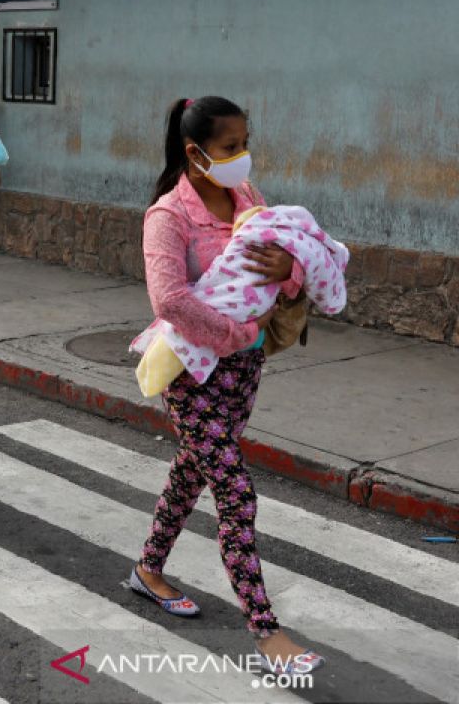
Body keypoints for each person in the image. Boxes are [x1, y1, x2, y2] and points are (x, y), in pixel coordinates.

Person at [128, 96, 323, 676]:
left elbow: (289, 264)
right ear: (195, 153)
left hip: (244, 372)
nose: (244, 156)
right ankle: (265, 632)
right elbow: (168, 300)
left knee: (193, 471)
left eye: (245, 142)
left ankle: (147, 570)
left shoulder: (250, 200)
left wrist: (288, 275)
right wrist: (237, 332)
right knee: (235, 491)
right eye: (231, 147)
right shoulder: (169, 216)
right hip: (192, 374)